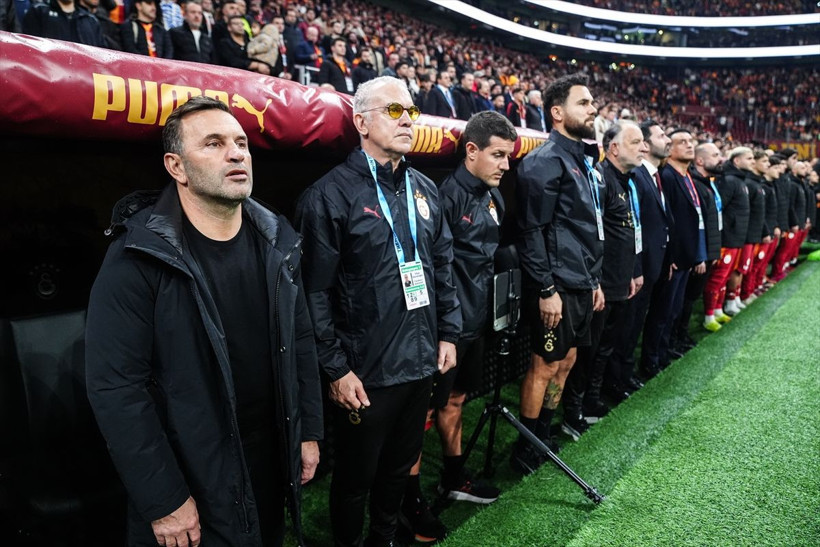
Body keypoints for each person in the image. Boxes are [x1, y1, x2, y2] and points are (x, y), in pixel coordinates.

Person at [85, 96, 323, 547]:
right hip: (192, 477)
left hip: (269, 462)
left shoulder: (278, 240)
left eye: (241, 143)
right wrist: (164, 498)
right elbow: (116, 389)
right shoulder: (135, 258)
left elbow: (301, 341)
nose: (236, 154)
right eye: (213, 144)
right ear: (176, 167)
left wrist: (307, 430)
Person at [294, 76, 461, 547]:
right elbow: (312, 293)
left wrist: (448, 333)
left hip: (421, 361)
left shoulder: (424, 188)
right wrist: (335, 368)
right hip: (364, 373)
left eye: (411, 111)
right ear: (361, 122)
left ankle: (384, 538)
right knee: (355, 479)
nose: (407, 120)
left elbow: (442, 265)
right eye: (393, 111)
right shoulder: (328, 195)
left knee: (399, 469)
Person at [401, 111, 517, 543]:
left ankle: (453, 476)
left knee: (458, 398)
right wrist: (443, 330)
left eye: (508, 156)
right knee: (423, 413)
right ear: (471, 151)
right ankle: (409, 499)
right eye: (498, 155)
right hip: (444, 329)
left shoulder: (495, 196)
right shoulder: (444, 197)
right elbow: (433, 268)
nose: (506, 165)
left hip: (477, 322)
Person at [512, 73, 604, 474]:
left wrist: (594, 280)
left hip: (581, 281)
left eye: (592, 102)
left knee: (566, 361)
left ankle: (544, 434)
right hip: (557, 286)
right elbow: (530, 231)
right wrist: (546, 289)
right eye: (583, 103)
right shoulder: (544, 161)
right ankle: (525, 449)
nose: (592, 109)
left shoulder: (580, 159)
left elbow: (585, 229)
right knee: (545, 364)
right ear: (557, 112)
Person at [561, 120, 646, 439]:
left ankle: (592, 399)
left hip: (621, 279)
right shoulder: (599, 179)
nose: (643, 148)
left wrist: (634, 270)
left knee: (606, 347)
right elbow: (592, 236)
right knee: (589, 350)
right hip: (601, 283)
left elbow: (631, 230)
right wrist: (595, 281)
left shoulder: (628, 181)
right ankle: (573, 409)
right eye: (635, 142)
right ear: (613, 148)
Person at [640, 129, 706, 378]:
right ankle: (651, 359)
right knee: (662, 312)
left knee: (673, 310)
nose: (689, 145)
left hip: (683, 257)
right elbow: (668, 221)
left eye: (691, 141)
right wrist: (673, 256)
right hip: (673, 258)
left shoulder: (685, 176)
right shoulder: (667, 176)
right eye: (683, 141)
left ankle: (663, 353)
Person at [23, 0, 105, 47]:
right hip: (49, 70)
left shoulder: (91, 20)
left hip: (83, 71)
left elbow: (100, 55)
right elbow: (29, 48)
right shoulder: (38, 11)